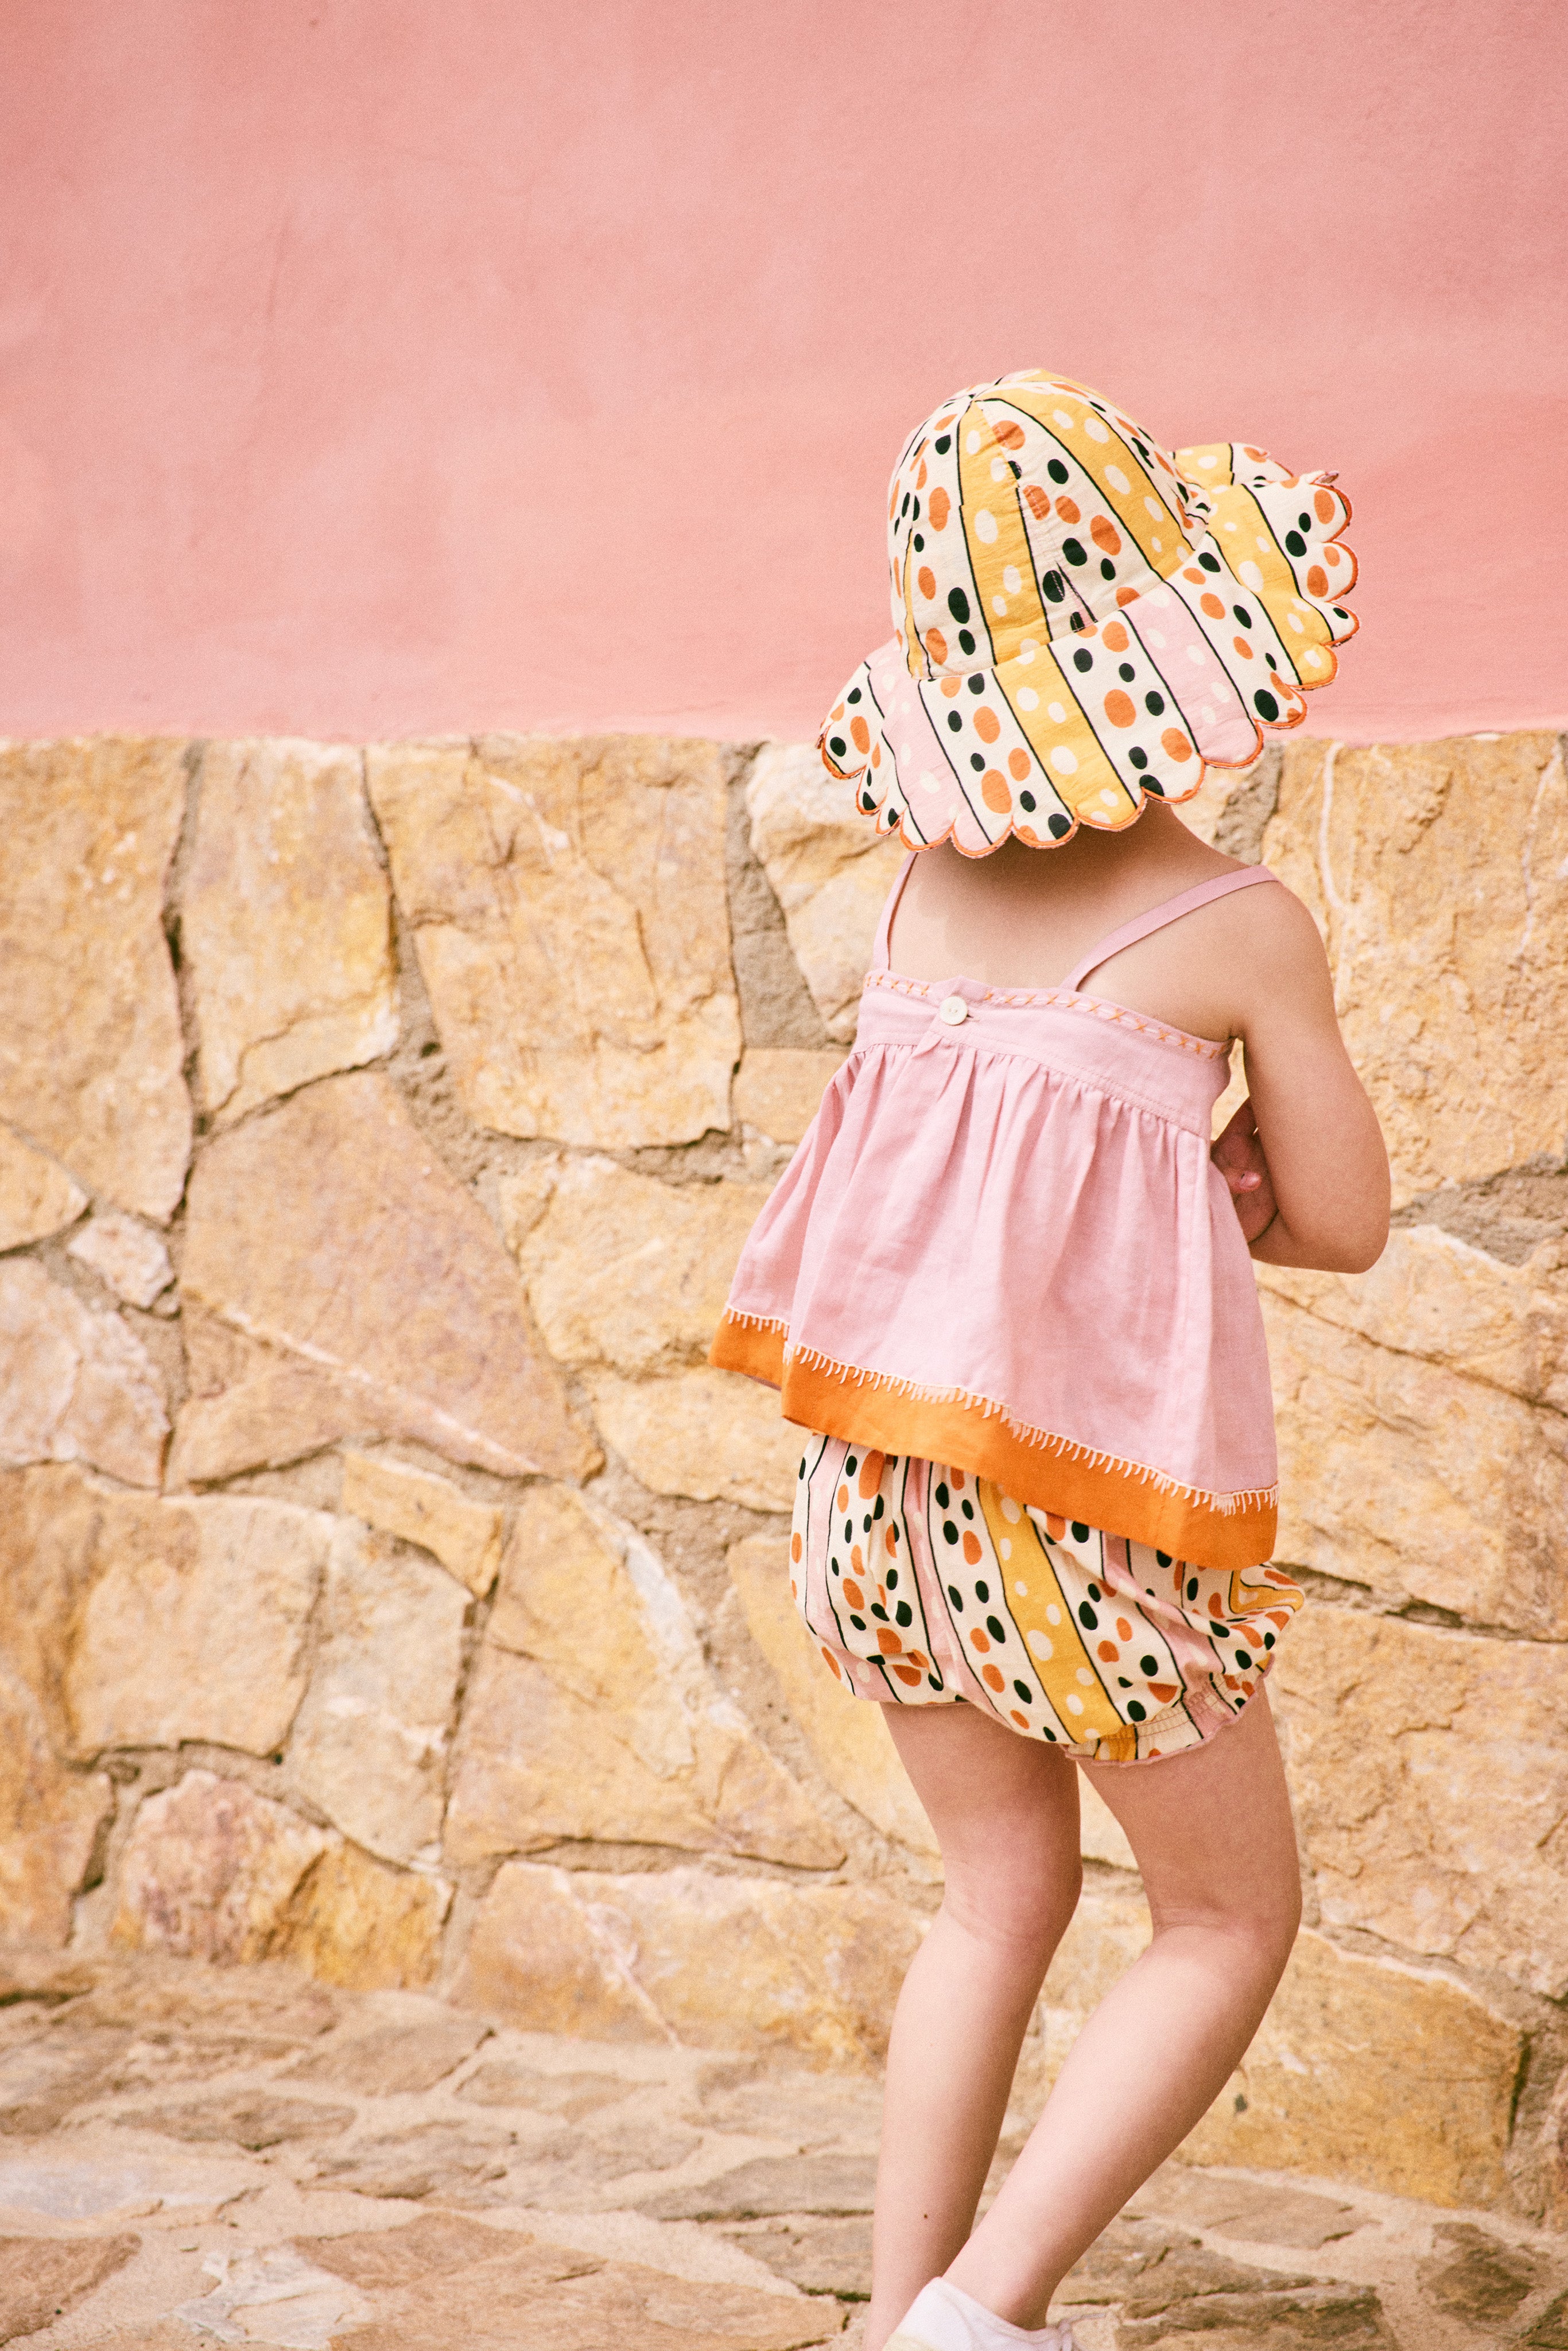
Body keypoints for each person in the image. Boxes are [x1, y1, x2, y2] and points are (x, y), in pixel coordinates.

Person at [711, 371, 1389, 2351]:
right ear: (1181, 648)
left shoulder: (912, 904)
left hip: (876, 1483)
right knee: (1224, 1919)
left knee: (993, 1896)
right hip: (1087, 1514)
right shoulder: (1237, 928)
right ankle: (979, 2316)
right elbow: (1339, 1218)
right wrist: (1229, 1178)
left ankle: (886, 2314)